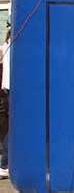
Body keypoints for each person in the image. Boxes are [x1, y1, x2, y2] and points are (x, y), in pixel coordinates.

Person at [0, 23, 10, 179]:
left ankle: (5, 164)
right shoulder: (6, 48)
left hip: (7, 91)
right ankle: (5, 164)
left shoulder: (6, 48)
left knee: (8, 127)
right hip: (8, 91)